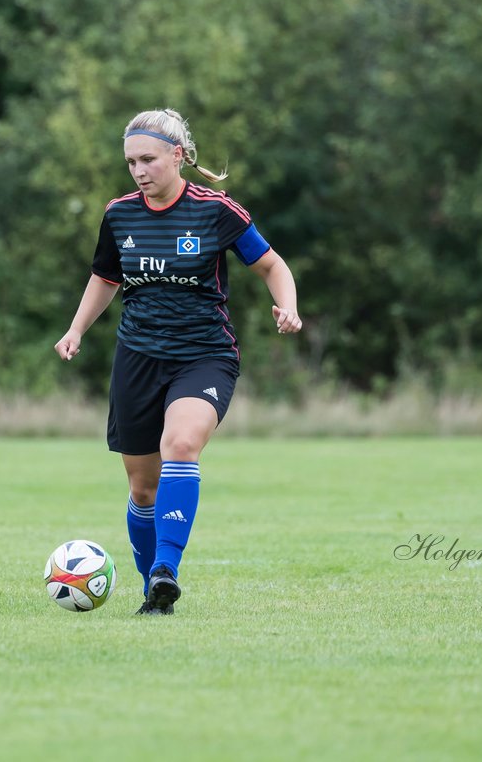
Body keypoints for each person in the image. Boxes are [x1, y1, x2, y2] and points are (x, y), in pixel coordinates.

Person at [54, 108, 302, 615]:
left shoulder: (215, 210)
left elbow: (272, 264)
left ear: (178, 156)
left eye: (148, 159)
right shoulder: (119, 214)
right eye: (130, 162)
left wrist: (289, 305)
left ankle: (167, 566)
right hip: (138, 359)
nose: (139, 170)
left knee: (181, 444)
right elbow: (105, 278)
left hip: (205, 356)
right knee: (142, 488)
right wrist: (77, 329)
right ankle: (154, 589)